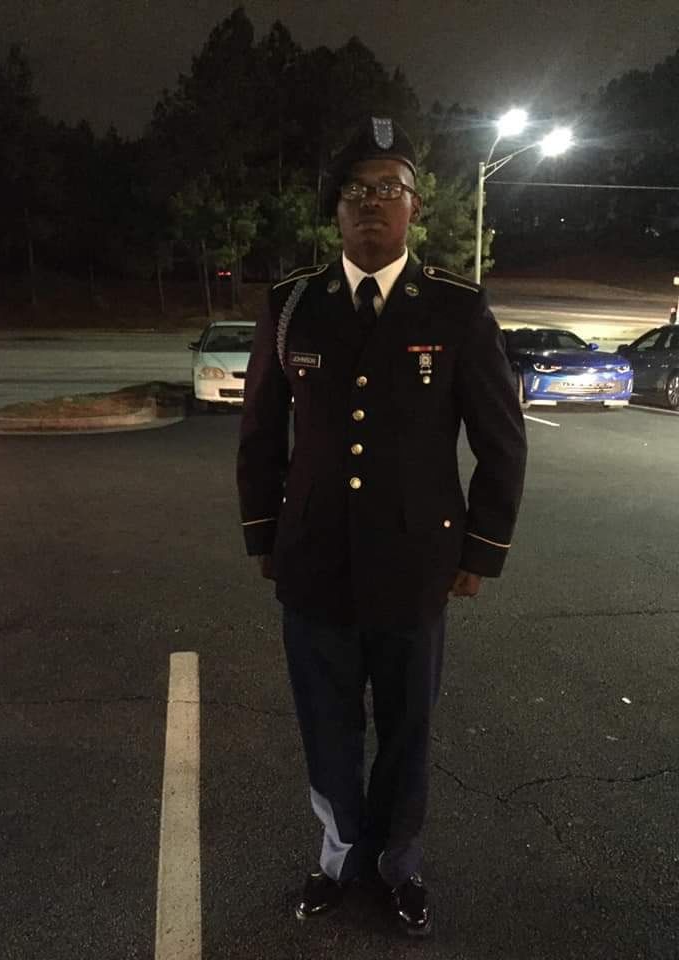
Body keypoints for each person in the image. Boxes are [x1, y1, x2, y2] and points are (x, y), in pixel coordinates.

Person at [236, 116, 527, 939]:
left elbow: (502, 441)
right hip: (314, 561)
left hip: (416, 564)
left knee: (407, 729)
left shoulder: (457, 307)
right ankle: (339, 859)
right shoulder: (292, 305)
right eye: (357, 190)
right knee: (326, 727)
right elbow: (260, 435)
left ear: (414, 207)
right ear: (336, 209)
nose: (373, 202)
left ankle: (399, 866)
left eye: (389, 188)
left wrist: (481, 551)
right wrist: (264, 535)